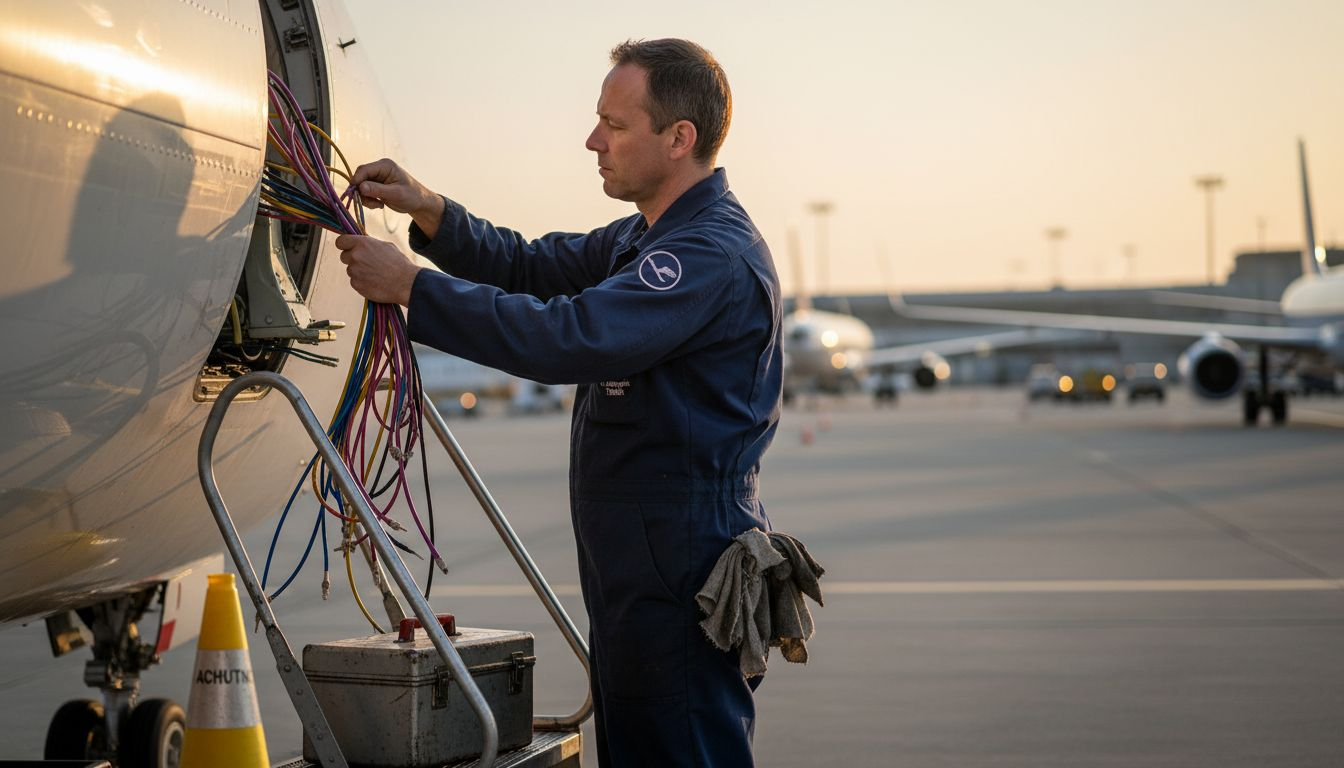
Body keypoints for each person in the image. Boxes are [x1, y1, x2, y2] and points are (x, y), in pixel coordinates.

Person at [335, 38, 781, 767]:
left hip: (680, 556)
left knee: (683, 747)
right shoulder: (646, 238)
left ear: (679, 139)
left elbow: (572, 336)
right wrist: (429, 209)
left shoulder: (703, 254)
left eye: (616, 124)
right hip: (640, 555)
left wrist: (413, 286)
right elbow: (530, 264)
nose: (592, 140)